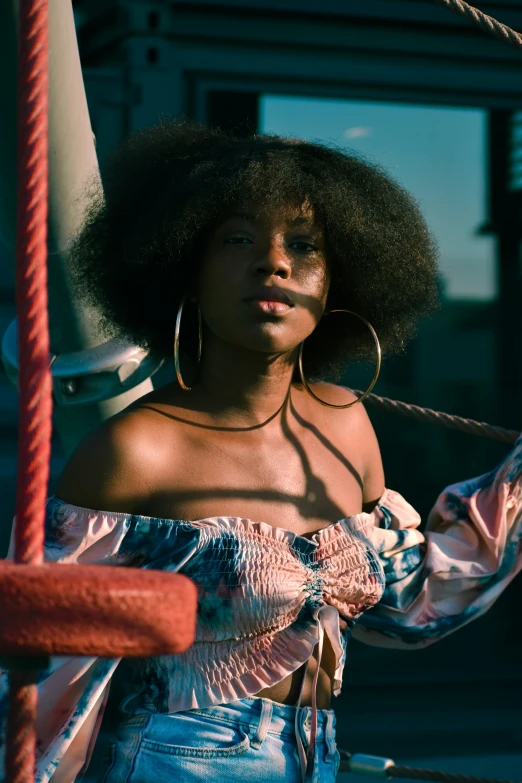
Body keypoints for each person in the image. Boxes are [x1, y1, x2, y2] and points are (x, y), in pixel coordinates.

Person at [1, 121, 521, 783]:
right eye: (238, 239)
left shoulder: (349, 422)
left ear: (337, 280)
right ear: (186, 266)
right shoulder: (136, 449)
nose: (273, 262)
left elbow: (408, 591)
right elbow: (40, 667)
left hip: (316, 756)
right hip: (173, 759)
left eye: (302, 245)